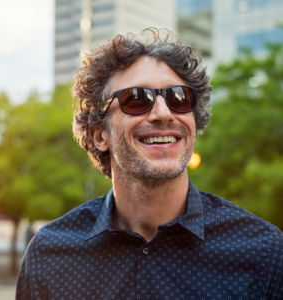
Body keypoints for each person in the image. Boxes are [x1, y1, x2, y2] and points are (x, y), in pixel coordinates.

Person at [16, 29, 283, 299]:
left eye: (179, 98)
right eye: (136, 99)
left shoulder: (263, 252)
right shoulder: (49, 254)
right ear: (100, 135)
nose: (163, 113)